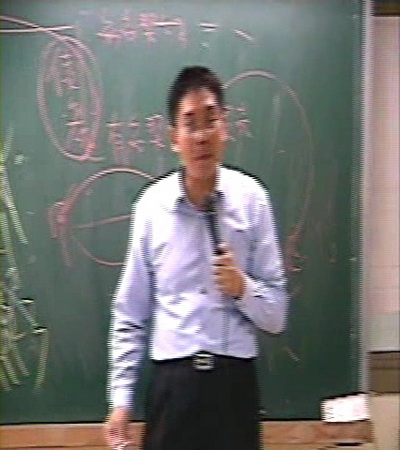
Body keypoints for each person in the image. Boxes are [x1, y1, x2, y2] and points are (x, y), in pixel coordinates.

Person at [104, 66, 289, 450]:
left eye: (211, 120)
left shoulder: (253, 200)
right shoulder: (151, 208)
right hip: (173, 389)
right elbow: (130, 313)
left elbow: (277, 316)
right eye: (190, 124)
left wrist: (243, 288)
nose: (202, 136)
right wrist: (121, 401)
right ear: (174, 137)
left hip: (234, 387)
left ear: (225, 127)